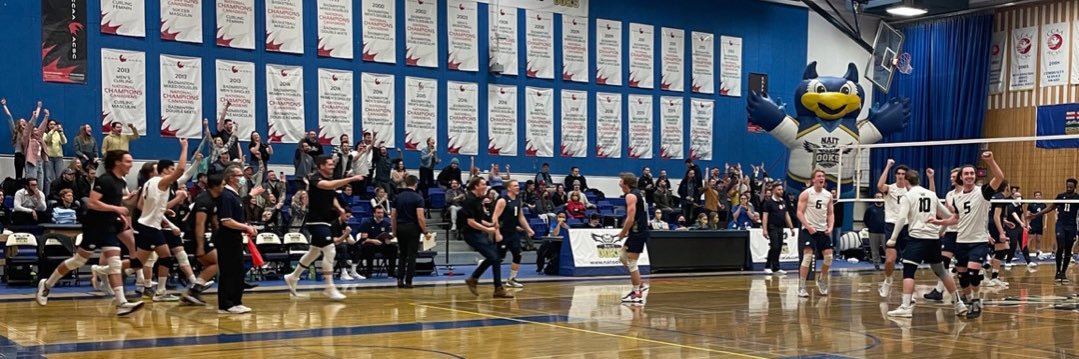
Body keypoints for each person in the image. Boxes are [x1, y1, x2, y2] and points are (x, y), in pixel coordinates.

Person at [36, 149, 145, 316]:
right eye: (128, 161)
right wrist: (117, 208)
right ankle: (47, 284)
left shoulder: (121, 182)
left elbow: (118, 200)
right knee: (78, 261)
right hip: (94, 226)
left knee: (115, 263)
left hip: (109, 226)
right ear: (117, 162)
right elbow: (93, 203)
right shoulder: (105, 180)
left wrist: (130, 201)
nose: (131, 164)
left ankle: (122, 303)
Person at [885, 169, 966, 318]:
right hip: (933, 239)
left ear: (906, 181)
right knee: (942, 272)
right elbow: (949, 216)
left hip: (917, 238)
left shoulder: (908, 196)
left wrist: (893, 238)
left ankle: (905, 307)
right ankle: (959, 303)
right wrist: (941, 230)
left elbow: (901, 218)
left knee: (909, 271)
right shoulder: (931, 194)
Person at [283, 156, 365, 300]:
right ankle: (329, 287)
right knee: (330, 249)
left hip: (326, 220)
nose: (332, 166)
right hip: (316, 221)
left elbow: (331, 195)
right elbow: (328, 186)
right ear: (321, 166)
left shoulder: (329, 179)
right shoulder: (315, 178)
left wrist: (339, 209)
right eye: (329, 164)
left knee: (313, 253)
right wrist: (350, 179)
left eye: (333, 164)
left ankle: (292, 276)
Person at [132, 139, 190, 302]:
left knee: (143, 262)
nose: (173, 172)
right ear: (165, 170)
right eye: (170, 169)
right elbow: (181, 170)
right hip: (150, 227)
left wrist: (163, 210)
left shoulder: (149, 183)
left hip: (148, 225)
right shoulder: (162, 181)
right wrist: (184, 147)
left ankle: (106, 270)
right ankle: (160, 292)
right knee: (161, 258)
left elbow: (144, 205)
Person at [951, 151, 1005, 319]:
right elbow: (957, 218)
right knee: (962, 276)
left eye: (972, 173)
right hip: (961, 241)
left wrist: (991, 161)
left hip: (978, 241)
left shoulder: (983, 192)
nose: (969, 176)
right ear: (961, 177)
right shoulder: (957, 197)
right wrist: (939, 222)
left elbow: (999, 177)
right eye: (966, 173)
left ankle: (976, 301)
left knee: (974, 272)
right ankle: (968, 300)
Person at [214, 165, 259, 314]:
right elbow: (226, 220)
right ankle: (226, 304)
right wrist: (245, 227)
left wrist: (246, 226)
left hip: (235, 238)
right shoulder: (226, 195)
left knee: (237, 270)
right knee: (229, 271)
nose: (243, 178)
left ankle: (236, 301)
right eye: (240, 175)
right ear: (231, 178)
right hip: (227, 239)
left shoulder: (235, 196)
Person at [462, 177, 514, 298]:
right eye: (483, 184)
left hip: (478, 233)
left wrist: (490, 224)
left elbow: (479, 220)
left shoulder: (478, 200)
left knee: (495, 256)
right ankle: (496, 288)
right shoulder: (469, 200)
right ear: (476, 186)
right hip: (471, 234)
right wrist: (488, 229)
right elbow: (470, 222)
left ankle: (476, 280)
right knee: (495, 257)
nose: (486, 186)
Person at [179, 175, 223, 306]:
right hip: (193, 236)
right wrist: (200, 246)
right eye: (223, 184)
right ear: (215, 186)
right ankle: (194, 290)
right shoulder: (204, 200)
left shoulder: (214, 199)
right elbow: (199, 224)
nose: (224, 187)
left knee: (215, 262)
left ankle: (195, 290)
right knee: (217, 261)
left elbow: (214, 221)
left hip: (200, 236)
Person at [1026, 177, 1079, 283]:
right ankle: (1057, 271)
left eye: (1071, 186)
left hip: (1072, 226)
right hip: (1061, 225)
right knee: (1061, 245)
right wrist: (1036, 215)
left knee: (1068, 250)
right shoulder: (1061, 196)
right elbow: (1050, 207)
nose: (1068, 188)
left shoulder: (1077, 197)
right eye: (1067, 186)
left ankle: (1063, 273)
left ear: (1075, 187)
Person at [795, 169, 834, 298]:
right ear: (813, 179)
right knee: (808, 256)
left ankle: (822, 279)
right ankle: (801, 285)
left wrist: (831, 226)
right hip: (808, 230)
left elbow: (830, 213)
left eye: (823, 176)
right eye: (818, 176)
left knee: (829, 257)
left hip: (822, 230)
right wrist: (808, 226)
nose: (821, 178)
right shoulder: (806, 194)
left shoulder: (828, 195)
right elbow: (799, 212)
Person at [492, 179, 534, 289]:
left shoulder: (518, 200)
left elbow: (521, 217)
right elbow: (494, 217)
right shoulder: (503, 200)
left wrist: (528, 229)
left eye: (518, 185)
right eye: (515, 186)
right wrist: (496, 233)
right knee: (498, 257)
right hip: (503, 232)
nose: (517, 187)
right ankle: (484, 265)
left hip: (513, 232)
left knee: (518, 254)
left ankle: (511, 279)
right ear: (509, 188)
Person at [877, 160, 910, 298]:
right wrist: (888, 166)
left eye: (903, 174)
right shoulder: (890, 188)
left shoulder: (911, 190)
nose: (901, 176)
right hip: (891, 225)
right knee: (890, 259)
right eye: (899, 174)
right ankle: (888, 281)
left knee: (909, 260)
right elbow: (879, 186)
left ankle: (908, 291)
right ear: (895, 175)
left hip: (907, 225)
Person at [616, 173, 650, 304]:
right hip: (638, 230)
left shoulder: (630, 195)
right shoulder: (638, 193)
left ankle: (637, 292)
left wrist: (622, 232)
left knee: (631, 263)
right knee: (623, 257)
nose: (619, 183)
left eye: (621, 181)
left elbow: (630, 218)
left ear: (626, 183)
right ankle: (640, 283)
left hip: (637, 232)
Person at [393, 175, 427, 288]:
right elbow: (420, 217)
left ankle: (399, 279)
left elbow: (393, 216)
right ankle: (409, 281)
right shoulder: (418, 198)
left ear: (405, 183)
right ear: (415, 184)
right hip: (413, 228)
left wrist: (394, 231)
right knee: (412, 255)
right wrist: (425, 231)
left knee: (402, 254)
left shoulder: (398, 197)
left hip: (400, 227)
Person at [762, 183, 795, 275]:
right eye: (779, 189)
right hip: (772, 227)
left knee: (779, 247)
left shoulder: (783, 202)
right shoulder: (768, 203)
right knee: (774, 246)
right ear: (773, 190)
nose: (781, 191)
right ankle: (768, 266)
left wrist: (791, 227)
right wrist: (764, 229)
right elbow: (765, 216)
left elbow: (786, 215)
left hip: (781, 227)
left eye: (782, 189)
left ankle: (776, 267)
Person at [354, 206, 394, 279]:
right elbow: (361, 238)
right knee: (369, 247)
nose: (380, 215)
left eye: (381, 213)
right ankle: (369, 272)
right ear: (374, 214)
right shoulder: (366, 222)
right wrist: (372, 240)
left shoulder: (386, 224)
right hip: (369, 244)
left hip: (381, 244)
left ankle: (392, 272)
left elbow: (387, 237)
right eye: (378, 213)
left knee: (393, 248)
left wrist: (388, 240)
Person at [2, 98, 28, 178]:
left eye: (24, 121)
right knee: (19, 175)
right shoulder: (16, 132)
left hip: (28, 156)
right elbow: (9, 117)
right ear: (18, 123)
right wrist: (4, 106)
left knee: (29, 175)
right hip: (19, 155)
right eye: (21, 121)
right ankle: (18, 189)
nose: (23, 122)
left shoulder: (29, 133)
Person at [862, 192, 887, 271]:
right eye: (877, 197)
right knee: (874, 250)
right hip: (873, 232)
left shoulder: (886, 208)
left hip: (884, 232)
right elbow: (865, 219)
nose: (879, 198)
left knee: (887, 249)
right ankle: (876, 266)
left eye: (880, 197)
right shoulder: (870, 209)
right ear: (874, 198)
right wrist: (871, 226)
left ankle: (888, 265)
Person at [42, 119, 67, 194]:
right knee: (48, 178)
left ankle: (59, 194)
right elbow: (47, 140)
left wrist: (61, 132)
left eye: (54, 124)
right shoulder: (45, 133)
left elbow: (64, 141)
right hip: (49, 157)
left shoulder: (58, 133)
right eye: (51, 124)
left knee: (59, 177)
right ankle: (47, 195)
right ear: (48, 126)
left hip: (58, 157)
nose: (53, 126)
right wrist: (52, 131)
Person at [1027, 191, 1047, 259]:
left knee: (1038, 239)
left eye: (1039, 195)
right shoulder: (1031, 205)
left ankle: (1038, 252)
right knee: (1029, 238)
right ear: (1034, 196)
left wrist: (1045, 225)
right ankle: (1026, 252)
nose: (1038, 196)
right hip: (1032, 224)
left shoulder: (1043, 205)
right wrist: (1028, 224)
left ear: (1041, 196)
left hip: (1039, 224)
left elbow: (1045, 215)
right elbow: (1028, 215)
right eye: (1036, 195)